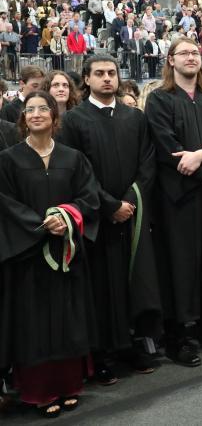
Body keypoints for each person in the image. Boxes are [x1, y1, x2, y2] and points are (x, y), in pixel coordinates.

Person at [58, 55, 161, 384]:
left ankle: (131, 344)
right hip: (97, 218)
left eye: (112, 73)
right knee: (101, 287)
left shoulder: (135, 117)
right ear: (86, 79)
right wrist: (108, 205)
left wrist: (129, 201)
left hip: (131, 213)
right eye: (99, 74)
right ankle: (103, 353)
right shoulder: (74, 120)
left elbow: (148, 162)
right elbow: (76, 170)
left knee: (132, 281)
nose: (107, 79)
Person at [0, 91, 99, 418]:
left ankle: (68, 384)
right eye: (31, 109)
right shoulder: (9, 159)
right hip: (28, 254)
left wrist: (66, 217)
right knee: (34, 323)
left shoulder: (73, 157)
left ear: (55, 118)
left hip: (65, 251)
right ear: (23, 118)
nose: (38, 113)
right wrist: (41, 223)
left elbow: (89, 197)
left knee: (68, 318)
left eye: (44, 108)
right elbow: (6, 203)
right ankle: (37, 390)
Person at [145, 37, 202, 367]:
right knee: (179, 266)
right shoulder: (159, 99)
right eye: (183, 53)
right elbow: (169, 149)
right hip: (177, 198)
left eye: (195, 53)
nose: (190, 57)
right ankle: (178, 337)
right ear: (170, 60)